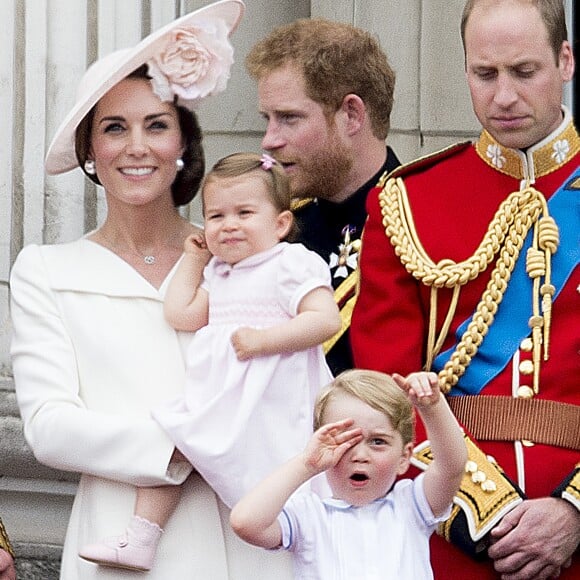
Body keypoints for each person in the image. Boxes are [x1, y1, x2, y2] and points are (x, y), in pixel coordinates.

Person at [10, 2, 297, 578]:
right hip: (121, 544)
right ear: (91, 152)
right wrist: (183, 446)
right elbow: (50, 428)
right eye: (114, 128)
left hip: (251, 535)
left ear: (183, 143)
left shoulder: (244, 255)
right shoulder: (46, 270)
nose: (137, 146)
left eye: (156, 125)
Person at [352, 0, 580, 578]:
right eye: (485, 74)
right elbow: (386, 397)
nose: (503, 96)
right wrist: (490, 518)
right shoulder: (409, 200)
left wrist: (574, 511)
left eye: (524, 72)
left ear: (566, 61)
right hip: (450, 537)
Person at [78, 151, 340, 571]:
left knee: (289, 481)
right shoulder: (219, 273)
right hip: (222, 401)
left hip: (272, 401)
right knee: (175, 445)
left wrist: (265, 340)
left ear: (280, 224)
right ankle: (142, 536)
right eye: (215, 216)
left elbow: (325, 319)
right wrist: (194, 261)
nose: (228, 224)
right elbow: (180, 313)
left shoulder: (290, 263)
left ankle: (315, 555)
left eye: (244, 213)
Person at [245, 19, 401, 375]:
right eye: (267, 119)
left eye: (288, 118)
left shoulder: (420, 224)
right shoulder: (277, 225)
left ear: (351, 115)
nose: (269, 140)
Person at [230, 369, 467, 579]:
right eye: (346, 441)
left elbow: (452, 466)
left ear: (404, 458)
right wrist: (306, 464)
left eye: (377, 441)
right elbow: (245, 523)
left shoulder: (411, 506)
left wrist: (432, 406)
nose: (360, 455)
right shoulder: (309, 516)